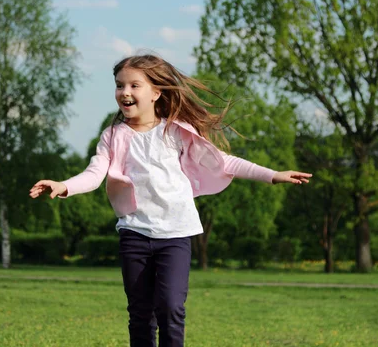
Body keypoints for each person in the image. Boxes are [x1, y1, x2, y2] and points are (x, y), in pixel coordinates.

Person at [29, 54, 311, 347]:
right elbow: (94, 173)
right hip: (134, 234)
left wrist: (272, 174)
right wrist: (63, 186)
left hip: (175, 235)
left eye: (134, 85)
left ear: (156, 92)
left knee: (170, 308)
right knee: (140, 314)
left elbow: (224, 162)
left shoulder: (175, 131)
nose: (125, 92)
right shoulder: (113, 136)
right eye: (119, 85)